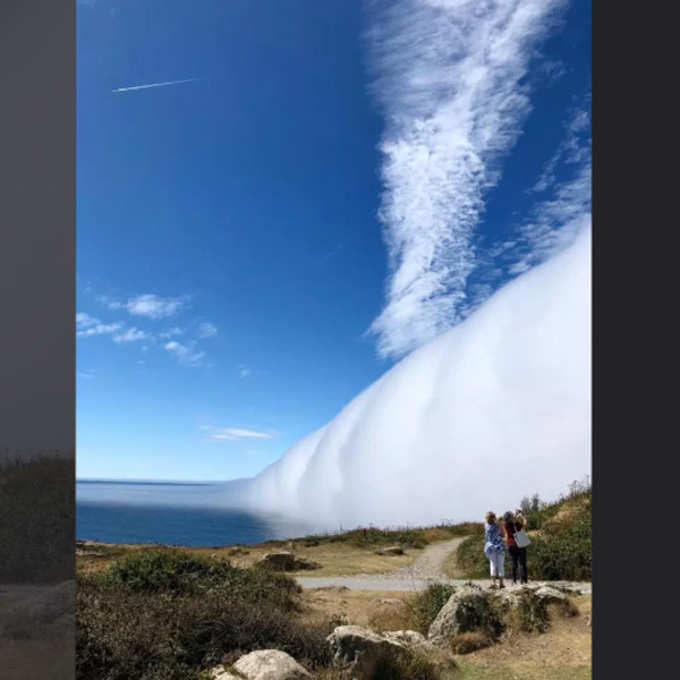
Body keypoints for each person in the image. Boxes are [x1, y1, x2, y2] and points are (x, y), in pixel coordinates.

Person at [504, 510, 528, 584]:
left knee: (513, 563)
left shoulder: (505, 525)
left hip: (510, 544)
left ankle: (514, 580)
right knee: (522, 563)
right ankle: (523, 580)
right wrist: (523, 516)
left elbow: (512, 519)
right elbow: (524, 525)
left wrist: (516, 515)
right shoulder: (517, 524)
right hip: (520, 542)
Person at [484, 511, 505, 589]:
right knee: (500, 565)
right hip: (500, 547)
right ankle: (501, 583)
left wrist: (496, 520)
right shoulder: (498, 525)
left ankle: (493, 583)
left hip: (491, 548)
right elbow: (503, 535)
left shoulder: (486, 526)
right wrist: (499, 523)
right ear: (493, 518)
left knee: (493, 564)